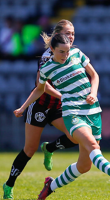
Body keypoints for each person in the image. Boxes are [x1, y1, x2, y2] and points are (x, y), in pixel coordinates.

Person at [13, 33, 110, 200]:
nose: (65, 55)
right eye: (61, 52)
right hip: (72, 112)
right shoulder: (47, 68)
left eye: (67, 51)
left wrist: (93, 93)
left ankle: (49, 186)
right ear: (52, 49)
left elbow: (94, 76)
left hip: (93, 110)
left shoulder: (77, 54)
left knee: (84, 166)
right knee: (93, 145)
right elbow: (39, 89)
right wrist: (23, 107)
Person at [2, 19, 79, 200]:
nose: (71, 36)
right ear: (58, 35)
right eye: (68, 33)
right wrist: (63, 96)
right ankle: (9, 184)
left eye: (73, 33)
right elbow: (41, 85)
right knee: (29, 149)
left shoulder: (74, 54)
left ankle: (50, 148)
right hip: (40, 105)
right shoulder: (47, 56)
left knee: (76, 135)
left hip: (57, 107)